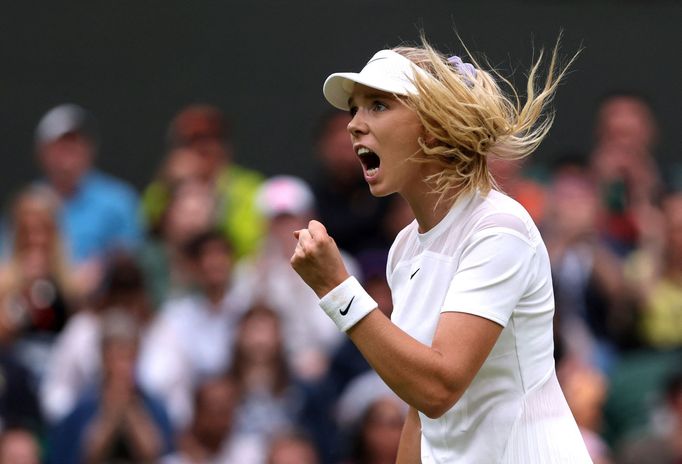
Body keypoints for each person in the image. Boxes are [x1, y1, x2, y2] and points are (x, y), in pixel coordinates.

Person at [291, 38, 592, 462]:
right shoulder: (404, 248)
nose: (354, 124)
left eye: (378, 105)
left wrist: (337, 289)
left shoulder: (499, 229)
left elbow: (439, 388)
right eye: (354, 108)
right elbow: (418, 411)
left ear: (433, 125)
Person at [32, 103, 142, 266]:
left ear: (89, 149)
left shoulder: (119, 200)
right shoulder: (30, 204)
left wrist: (105, 267)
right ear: (42, 153)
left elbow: (137, 258)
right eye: (60, 146)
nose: (68, 155)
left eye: (74, 144)